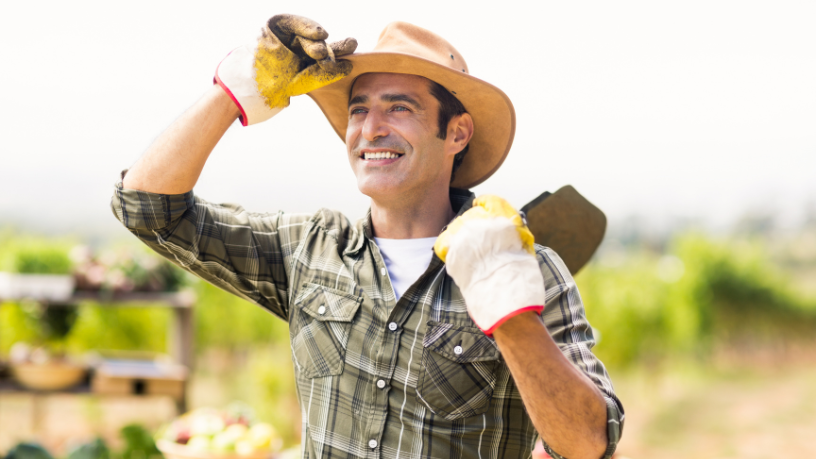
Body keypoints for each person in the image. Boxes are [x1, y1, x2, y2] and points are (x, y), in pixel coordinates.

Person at [111, 14, 624, 459]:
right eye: (359, 109)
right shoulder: (309, 250)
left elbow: (587, 445)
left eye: (399, 107)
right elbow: (147, 208)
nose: (370, 128)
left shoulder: (525, 268)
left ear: (458, 133)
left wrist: (512, 317)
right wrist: (234, 92)